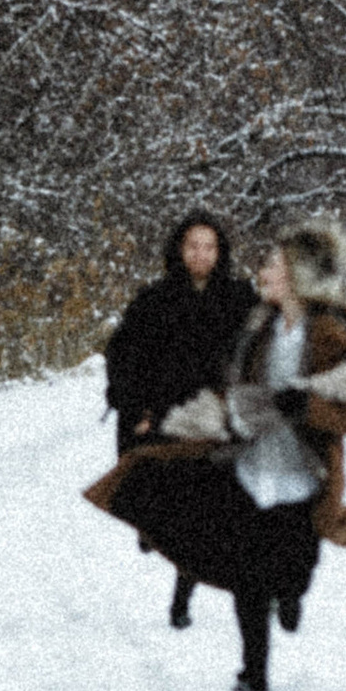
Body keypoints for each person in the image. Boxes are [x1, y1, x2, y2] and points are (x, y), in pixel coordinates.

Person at [109, 217, 346, 691]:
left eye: (274, 264)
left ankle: (290, 591)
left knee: (292, 567)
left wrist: (306, 406)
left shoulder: (328, 333)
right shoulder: (253, 325)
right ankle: (253, 671)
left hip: (303, 469)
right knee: (247, 569)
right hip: (248, 459)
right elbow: (221, 378)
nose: (263, 270)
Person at [101, 212, 251, 629]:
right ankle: (171, 563)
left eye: (209, 247)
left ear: (220, 252)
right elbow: (125, 355)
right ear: (179, 250)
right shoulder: (155, 301)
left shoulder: (240, 299)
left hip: (221, 416)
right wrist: (135, 406)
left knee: (213, 511)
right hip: (170, 416)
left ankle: (189, 598)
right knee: (185, 509)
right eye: (193, 246)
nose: (201, 255)